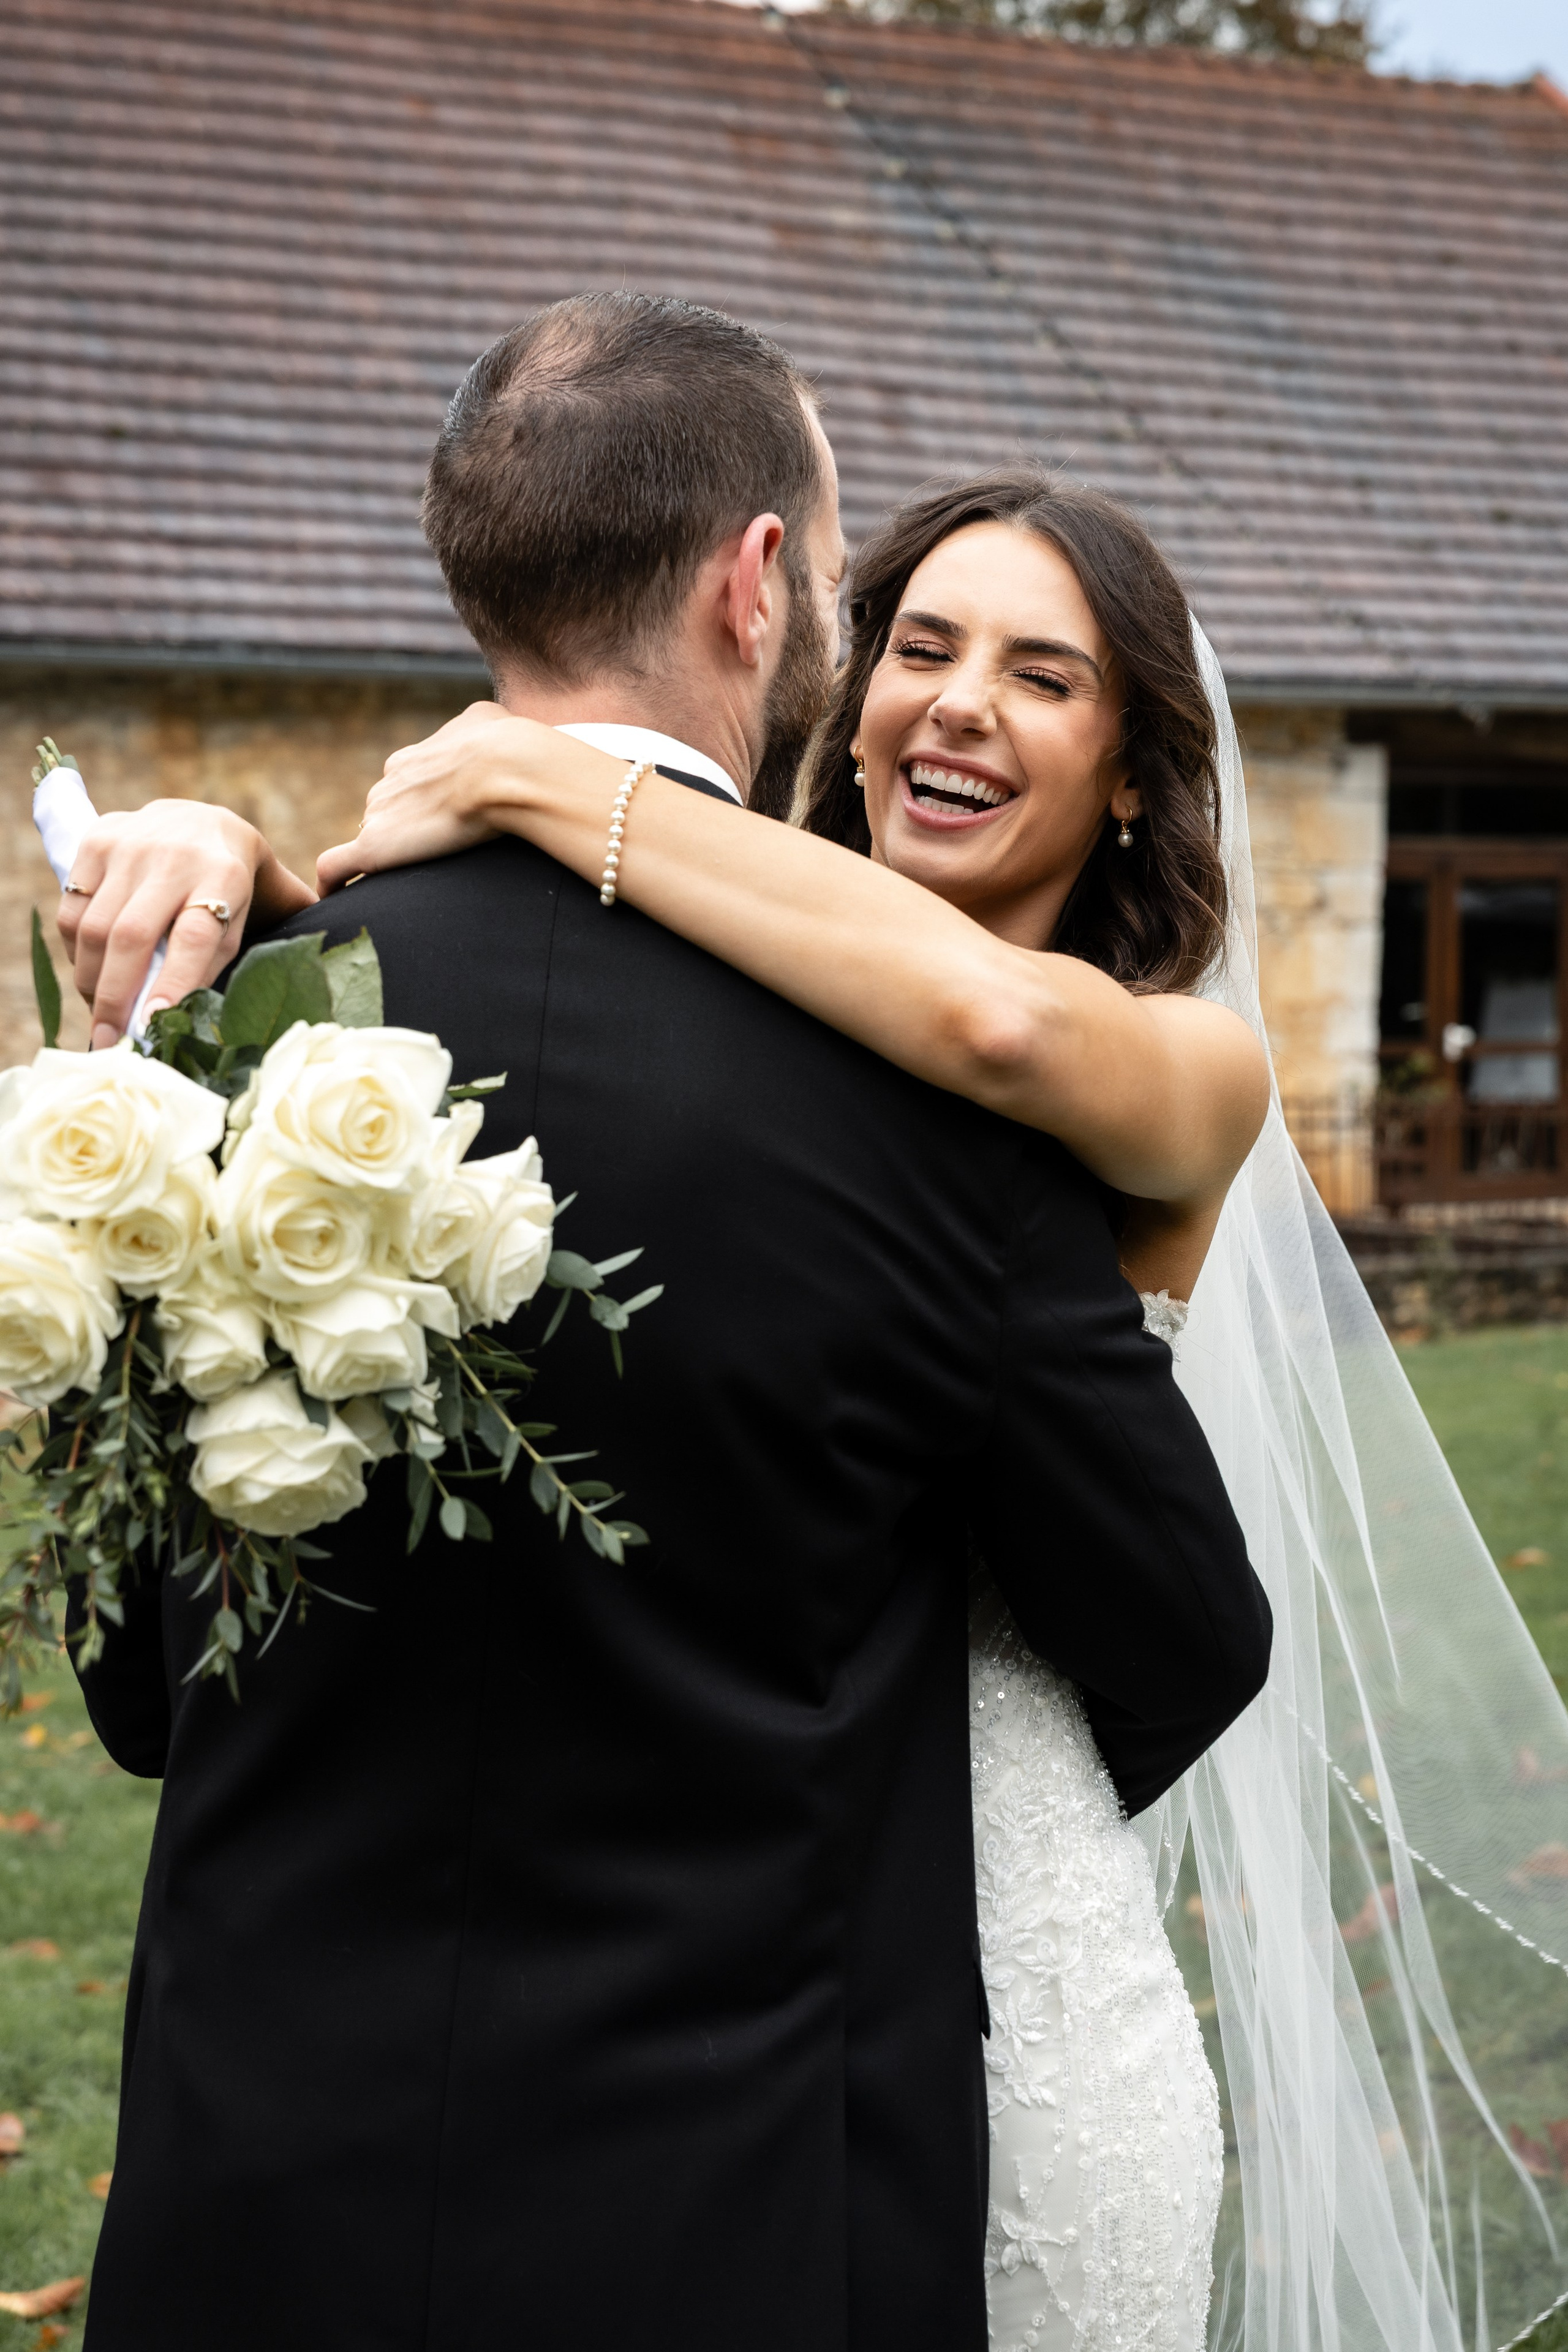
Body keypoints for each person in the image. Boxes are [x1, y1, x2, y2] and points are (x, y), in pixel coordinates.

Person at [56, 293, 1272, 2352]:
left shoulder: (214, 1061)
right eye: (907, 633)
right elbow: (1189, 1632)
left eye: (1041, 674)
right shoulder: (940, 1143)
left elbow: (143, 1687)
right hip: (738, 2204)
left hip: (254, 2195)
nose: (947, 703)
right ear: (764, 583)